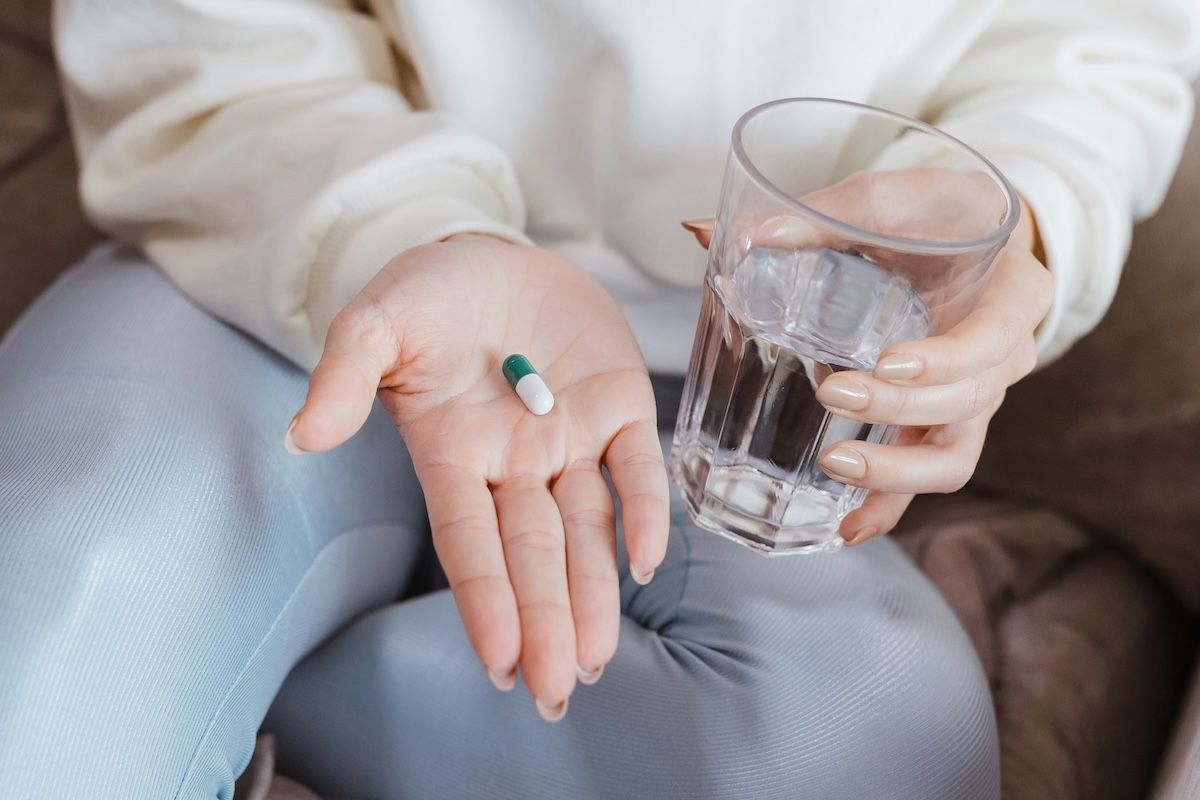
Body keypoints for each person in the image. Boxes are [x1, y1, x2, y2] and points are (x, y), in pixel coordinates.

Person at [1, 1, 1197, 797]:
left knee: (872, 734)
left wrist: (1012, 213)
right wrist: (405, 227)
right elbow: (201, 29)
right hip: (292, 245)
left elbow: (1104, 35)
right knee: (58, 603)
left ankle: (253, 667)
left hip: (768, 344)